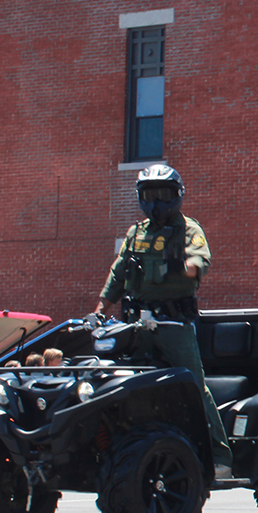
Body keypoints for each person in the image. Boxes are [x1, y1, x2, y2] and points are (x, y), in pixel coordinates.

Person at [94, 164, 232, 477]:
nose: (156, 201)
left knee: (193, 385)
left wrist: (182, 267)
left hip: (173, 325)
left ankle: (220, 455)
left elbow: (199, 262)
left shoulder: (188, 229)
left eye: (163, 194)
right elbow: (118, 273)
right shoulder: (136, 232)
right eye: (150, 194)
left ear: (177, 195)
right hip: (134, 326)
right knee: (123, 384)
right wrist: (102, 306)